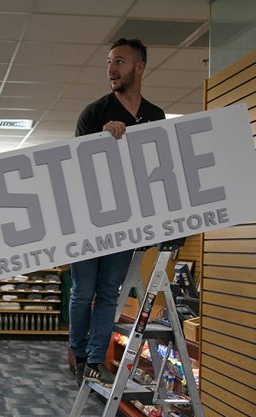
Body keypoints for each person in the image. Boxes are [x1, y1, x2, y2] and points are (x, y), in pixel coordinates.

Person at [70, 39, 165, 388]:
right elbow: (77, 168)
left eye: (120, 62)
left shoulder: (155, 117)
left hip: (127, 220)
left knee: (109, 292)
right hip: (86, 219)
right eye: (109, 61)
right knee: (83, 291)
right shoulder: (94, 113)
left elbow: (156, 169)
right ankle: (78, 354)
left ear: (139, 68)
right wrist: (101, 139)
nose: (112, 68)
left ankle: (95, 359)